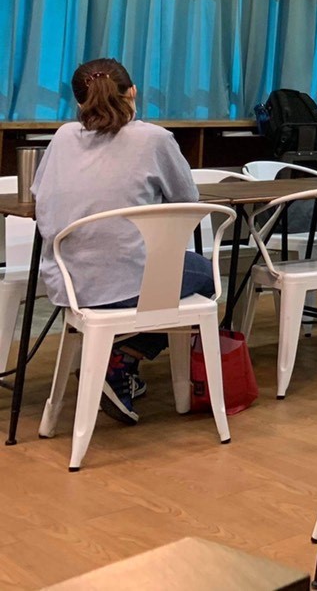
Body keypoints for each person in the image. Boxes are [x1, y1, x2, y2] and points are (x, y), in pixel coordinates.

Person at [31, 58, 209, 424]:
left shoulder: (62, 137)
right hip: (127, 282)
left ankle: (117, 360)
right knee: (207, 276)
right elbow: (188, 201)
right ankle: (124, 358)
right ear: (133, 92)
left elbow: (39, 194)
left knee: (150, 271)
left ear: (78, 102)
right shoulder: (154, 139)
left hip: (69, 282)